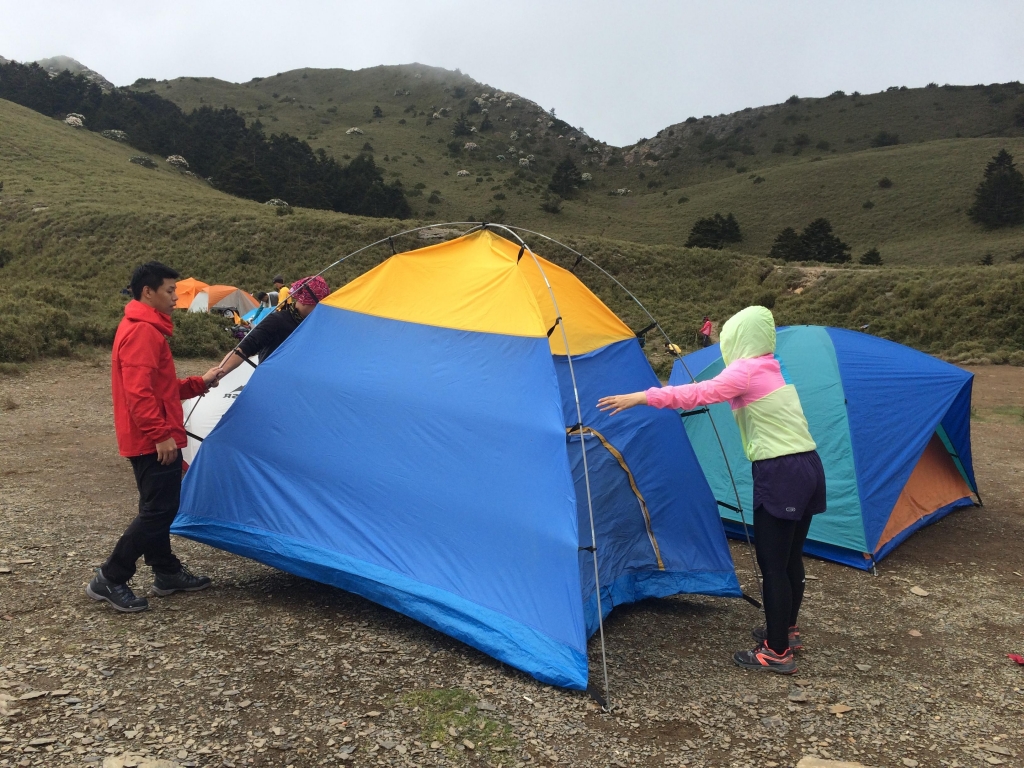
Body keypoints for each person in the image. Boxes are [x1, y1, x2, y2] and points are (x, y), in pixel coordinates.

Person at [597, 305, 825, 674]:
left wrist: (643, 397)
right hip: (809, 465)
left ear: (738, 338)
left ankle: (777, 651)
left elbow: (701, 393)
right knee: (790, 557)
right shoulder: (770, 365)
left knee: (773, 566)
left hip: (781, 470)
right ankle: (786, 630)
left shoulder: (746, 370)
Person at [87, 262, 224, 613]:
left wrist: (199, 383)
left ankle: (166, 572)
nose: (176, 298)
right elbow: (139, 394)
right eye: (169, 291)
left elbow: (158, 388)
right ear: (148, 292)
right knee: (159, 510)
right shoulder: (143, 332)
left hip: (151, 435)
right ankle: (111, 576)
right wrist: (160, 435)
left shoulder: (145, 328)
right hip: (153, 440)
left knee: (158, 508)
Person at [216, 275, 329, 372]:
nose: (320, 311)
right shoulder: (277, 321)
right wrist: (218, 373)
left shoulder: (317, 325)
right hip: (271, 382)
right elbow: (244, 348)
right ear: (305, 301)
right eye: (317, 305)